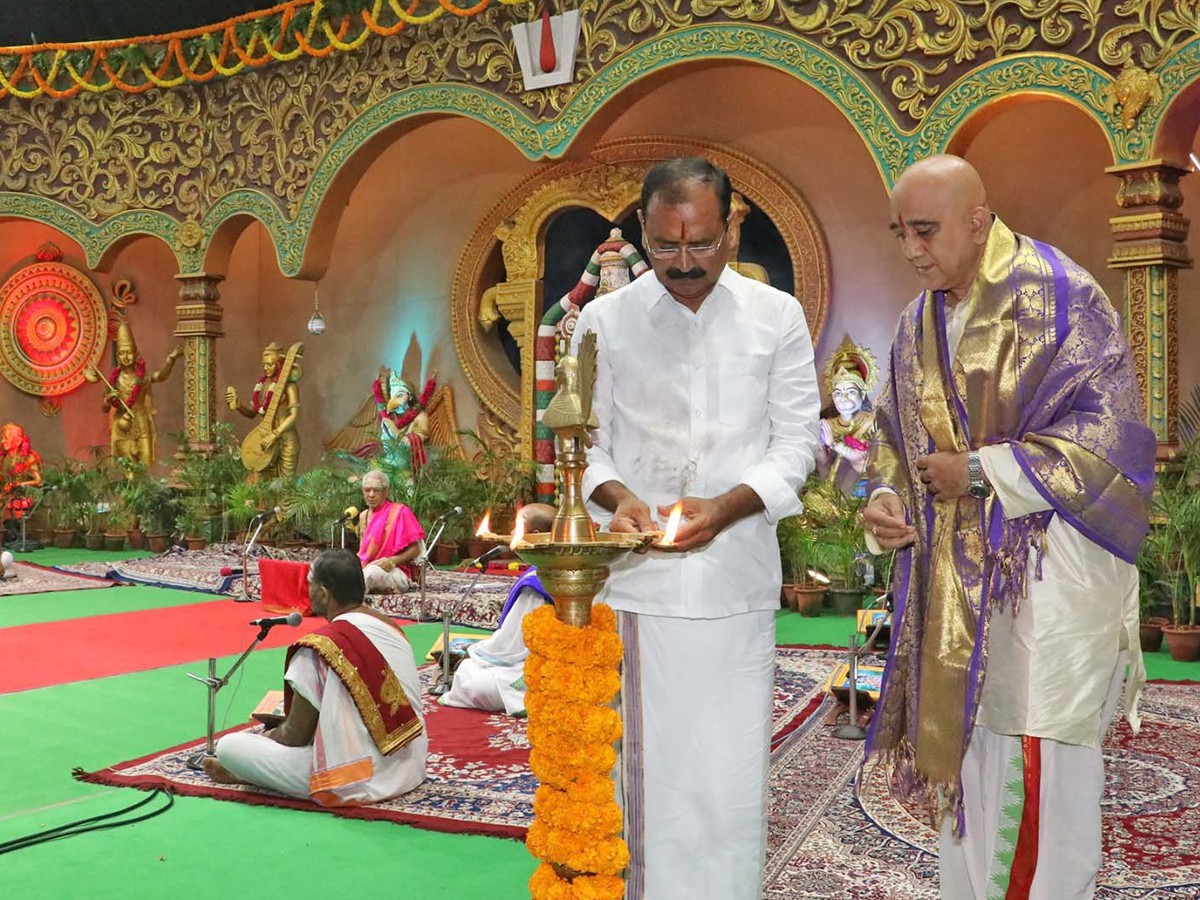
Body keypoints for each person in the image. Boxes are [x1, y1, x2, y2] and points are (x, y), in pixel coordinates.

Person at [863, 155, 1156, 900]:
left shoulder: (1063, 298)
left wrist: (986, 472)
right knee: (966, 759)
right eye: (900, 233)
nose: (910, 250)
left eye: (924, 231)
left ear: (976, 218)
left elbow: (1110, 433)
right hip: (952, 587)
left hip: (1049, 580)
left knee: (1038, 765)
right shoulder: (915, 320)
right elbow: (891, 437)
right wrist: (887, 500)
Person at [572, 157, 820, 900]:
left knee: (727, 784)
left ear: (732, 225)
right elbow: (582, 441)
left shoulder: (776, 316)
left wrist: (726, 507)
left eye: (702, 245)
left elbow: (796, 443)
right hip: (637, 585)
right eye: (666, 246)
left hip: (735, 578)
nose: (684, 264)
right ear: (641, 231)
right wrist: (618, 498)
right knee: (645, 778)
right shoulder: (604, 319)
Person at [204, 549, 427, 804]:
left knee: (230, 747)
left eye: (310, 583)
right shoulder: (392, 628)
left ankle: (249, 775)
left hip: (358, 779)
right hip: (410, 766)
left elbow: (294, 735)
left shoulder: (319, 647)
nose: (307, 590)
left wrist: (266, 737)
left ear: (323, 593)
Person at [438, 503, 557, 715]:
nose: (511, 533)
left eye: (518, 527)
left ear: (536, 535)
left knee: (469, 676)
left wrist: (472, 653)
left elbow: (509, 647)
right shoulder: (560, 567)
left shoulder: (537, 582)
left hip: (540, 669)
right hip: (566, 664)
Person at [85, 318, 182, 466]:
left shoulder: (142, 377)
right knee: (127, 468)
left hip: (141, 421)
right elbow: (104, 408)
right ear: (118, 357)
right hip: (121, 424)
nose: (125, 357)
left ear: (135, 354)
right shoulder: (113, 381)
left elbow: (160, 376)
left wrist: (170, 360)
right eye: (122, 353)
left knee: (146, 464)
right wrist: (109, 398)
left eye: (129, 353)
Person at [226, 342, 302, 479]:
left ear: (279, 364)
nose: (266, 368)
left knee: (286, 487)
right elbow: (253, 413)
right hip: (263, 441)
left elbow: (294, 415)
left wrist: (275, 435)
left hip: (285, 441)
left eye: (270, 364)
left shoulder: (289, 387)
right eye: (264, 365)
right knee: (263, 485)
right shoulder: (263, 385)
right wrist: (238, 406)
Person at [357, 469, 424, 594]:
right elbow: (363, 552)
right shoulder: (363, 516)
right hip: (368, 567)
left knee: (371, 573)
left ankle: (350, 605)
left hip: (395, 570)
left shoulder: (400, 512)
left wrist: (391, 561)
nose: (371, 494)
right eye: (367, 490)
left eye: (376, 490)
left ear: (386, 492)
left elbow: (416, 549)